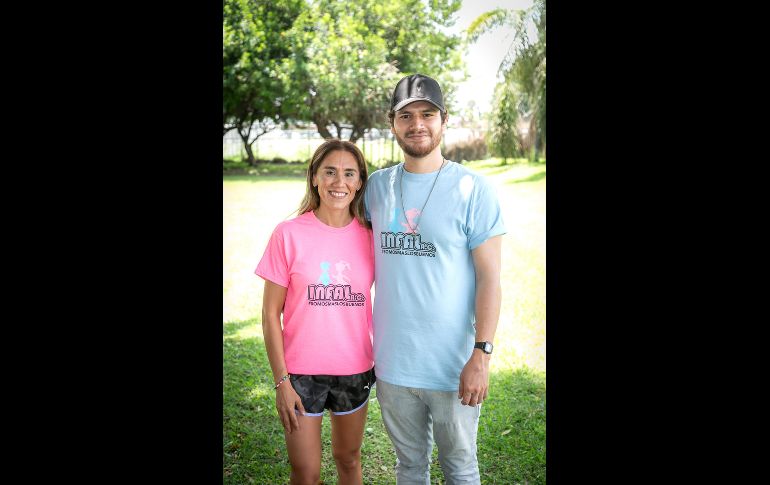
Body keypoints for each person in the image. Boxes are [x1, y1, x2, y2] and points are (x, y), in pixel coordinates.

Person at [364, 73, 506, 484]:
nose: (417, 124)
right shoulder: (376, 187)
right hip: (392, 364)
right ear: (392, 123)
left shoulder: (473, 189)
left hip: (453, 366)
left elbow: (491, 279)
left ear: (444, 120)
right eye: (406, 115)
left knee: (460, 468)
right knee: (409, 468)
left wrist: (481, 355)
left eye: (427, 114)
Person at [255, 139, 375, 485]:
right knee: (306, 473)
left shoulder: (371, 236)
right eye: (330, 172)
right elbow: (269, 315)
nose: (340, 182)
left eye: (349, 173)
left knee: (349, 460)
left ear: (360, 182)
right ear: (314, 178)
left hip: (354, 369)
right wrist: (281, 381)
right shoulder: (288, 234)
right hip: (300, 374)